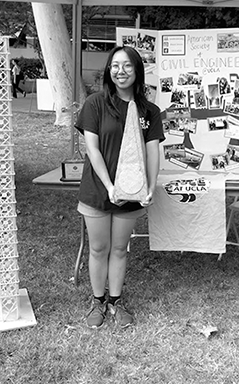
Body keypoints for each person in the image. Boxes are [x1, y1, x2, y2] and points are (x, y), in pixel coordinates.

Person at [74, 46, 164, 329]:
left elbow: (152, 152)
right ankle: (97, 301)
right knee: (99, 248)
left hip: (133, 193)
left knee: (120, 249)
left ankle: (116, 300)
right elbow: (93, 149)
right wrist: (110, 185)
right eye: (115, 66)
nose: (120, 71)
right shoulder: (95, 104)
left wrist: (150, 187)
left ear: (137, 70)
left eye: (127, 66)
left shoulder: (149, 111)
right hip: (98, 190)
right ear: (109, 70)